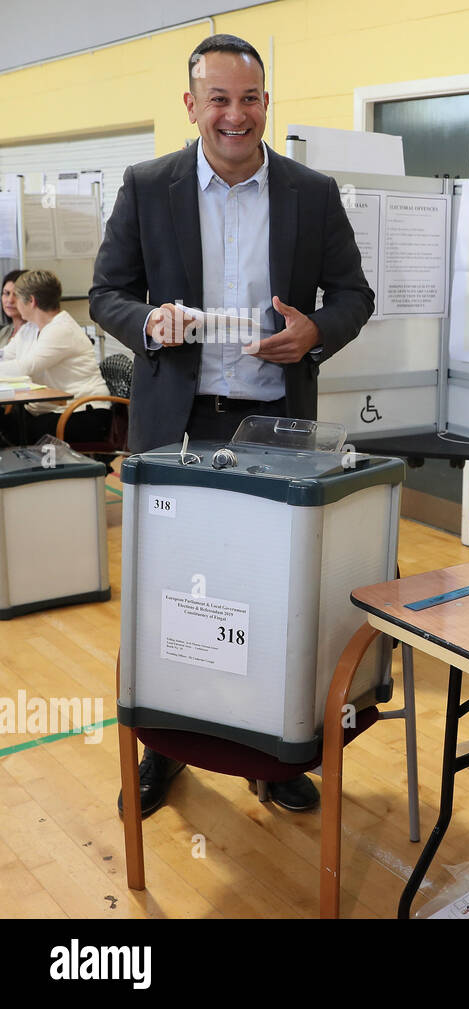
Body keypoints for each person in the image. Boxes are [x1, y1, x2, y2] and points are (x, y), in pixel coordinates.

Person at [90, 33, 374, 818]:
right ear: (191, 106)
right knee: (171, 595)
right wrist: (150, 322)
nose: (235, 115)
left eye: (249, 98)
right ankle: (163, 747)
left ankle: (273, 751)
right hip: (177, 430)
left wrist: (315, 332)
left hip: (276, 431)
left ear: (266, 104)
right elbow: (106, 291)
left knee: (275, 596)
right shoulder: (148, 186)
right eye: (218, 98)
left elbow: (354, 295)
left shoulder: (312, 193)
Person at [0, 270, 110, 446]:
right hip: (54, 409)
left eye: (17, 297)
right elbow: (5, 355)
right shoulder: (31, 328)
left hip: (82, 414)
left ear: (31, 301)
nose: (13, 302)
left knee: (15, 433)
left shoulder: (61, 329)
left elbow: (25, 367)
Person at [0, 269, 27, 353]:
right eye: (7, 293)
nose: (10, 300)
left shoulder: (36, 332)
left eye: (17, 294)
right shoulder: (4, 332)